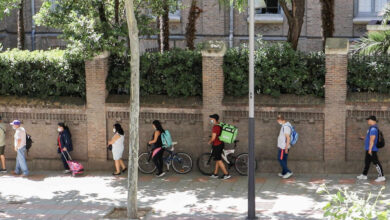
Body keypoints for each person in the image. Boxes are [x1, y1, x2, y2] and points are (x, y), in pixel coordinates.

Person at [357, 116, 385, 182]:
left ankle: (381, 176)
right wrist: (363, 138)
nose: (368, 121)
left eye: (368, 120)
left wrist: (370, 150)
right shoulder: (371, 128)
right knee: (367, 162)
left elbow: (372, 140)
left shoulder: (373, 129)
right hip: (369, 149)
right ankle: (364, 175)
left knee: (376, 162)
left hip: (372, 149)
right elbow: (369, 138)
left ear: (373, 120)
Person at [208, 114, 231, 180]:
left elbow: (213, 138)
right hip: (221, 143)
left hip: (217, 145)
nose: (210, 120)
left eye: (211, 119)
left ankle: (226, 174)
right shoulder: (220, 124)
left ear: (214, 119)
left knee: (219, 160)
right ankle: (215, 173)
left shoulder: (215, 127)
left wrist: (209, 142)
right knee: (218, 159)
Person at [276, 115, 293, 179]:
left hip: (283, 147)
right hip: (283, 146)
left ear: (280, 120)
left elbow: (288, 138)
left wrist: (286, 147)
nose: (278, 122)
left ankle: (288, 172)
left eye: (278, 121)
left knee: (280, 159)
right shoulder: (286, 125)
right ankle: (284, 172)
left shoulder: (286, 127)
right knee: (284, 159)